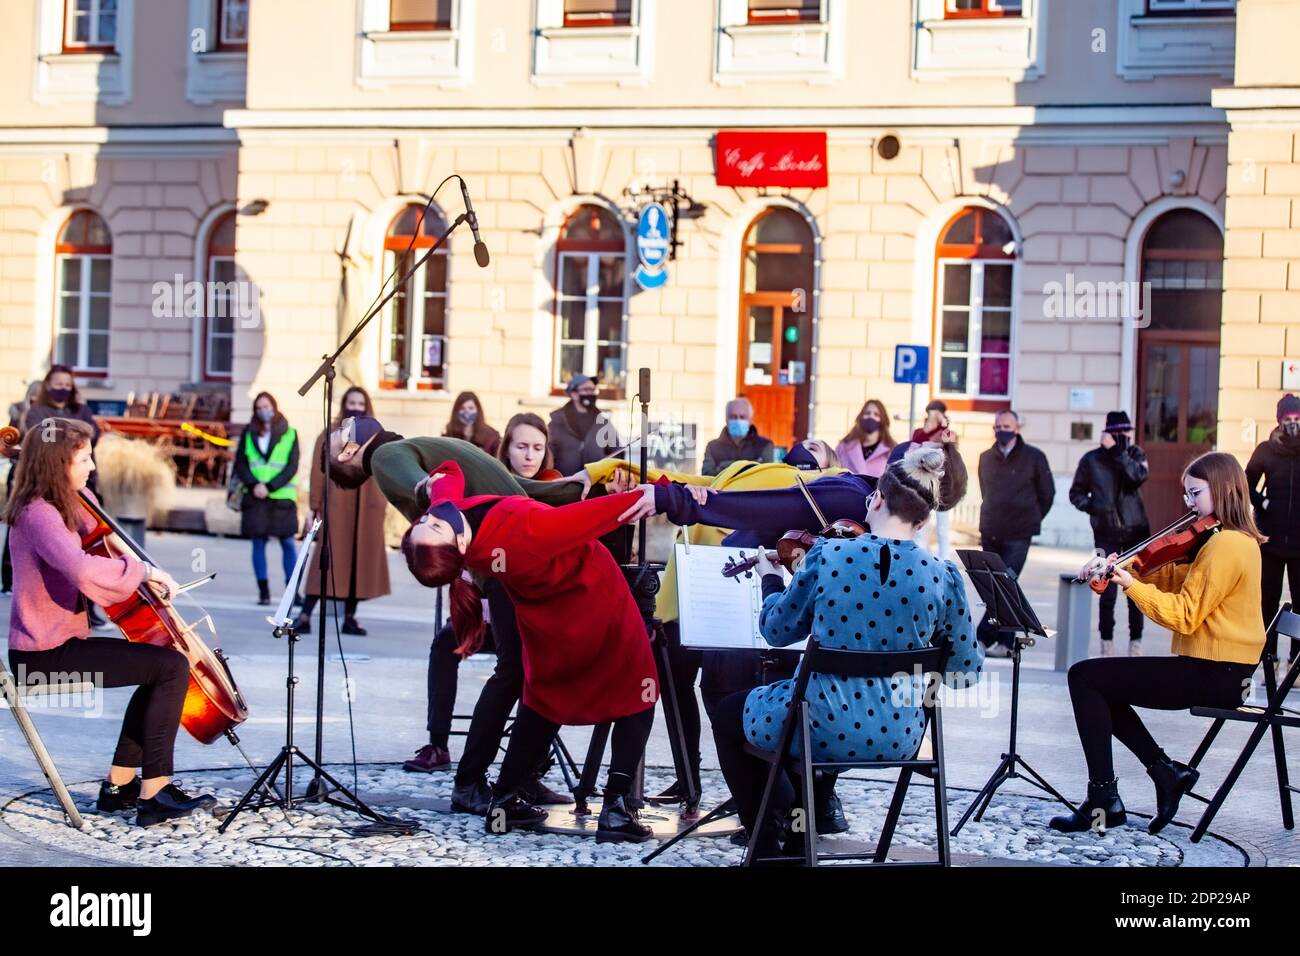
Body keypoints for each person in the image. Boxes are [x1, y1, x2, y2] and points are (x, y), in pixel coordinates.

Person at [710, 446, 984, 857]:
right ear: (925, 519)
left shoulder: (829, 556)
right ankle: (800, 835)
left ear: (875, 499)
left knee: (733, 714)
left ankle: (767, 844)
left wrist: (770, 581)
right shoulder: (942, 577)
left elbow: (776, 629)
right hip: (900, 736)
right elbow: (966, 670)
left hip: (821, 724)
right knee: (802, 708)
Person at [397, 454, 661, 843]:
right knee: (640, 691)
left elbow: (449, 475)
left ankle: (504, 801)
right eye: (432, 524)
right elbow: (599, 515)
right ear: (456, 544)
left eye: (423, 523)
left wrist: (433, 482)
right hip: (594, 599)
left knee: (542, 701)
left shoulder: (446, 521)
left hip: (545, 616)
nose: (428, 519)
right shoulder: (524, 532)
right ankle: (617, 809)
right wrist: (665, 494)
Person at [5, 418, 215, 827]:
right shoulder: (38, 514)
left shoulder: (63, 501)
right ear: (57, 463)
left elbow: (101, 532)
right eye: (84, 458)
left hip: (59, 646)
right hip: (42, 658)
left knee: (163, 664)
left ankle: (119, 788)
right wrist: (141, 573)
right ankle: (153, 795)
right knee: (170, 667)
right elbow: (81, 569)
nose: (92, 466)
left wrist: (139, 564)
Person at [1053, 452, 1266, 835]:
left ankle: (1113, 795)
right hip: (1219, 669)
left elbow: (1184, 613)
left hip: (1216, 673)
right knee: (1097, 683)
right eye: (1187, 495)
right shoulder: (1227, 541)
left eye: (1195, 494)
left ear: (1222, 489)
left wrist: (1131, 585)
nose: (1189, 505)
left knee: (1086, 678)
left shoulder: (1227, 546)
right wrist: (1119, 569)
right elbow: (1172, 577)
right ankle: (1163, 774)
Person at [404, 412, 569, 808]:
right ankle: (466, 774)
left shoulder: (553, 486)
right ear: (506, 449)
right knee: (512, 673)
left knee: (548, 673)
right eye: (521, 446)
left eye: (537, 447)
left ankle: (524, 775)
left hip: (536, 594)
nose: (530, 455)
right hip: (496, 591)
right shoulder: (486, 485)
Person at [294, 387, 390, 636]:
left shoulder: (377, 435)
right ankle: (305, 614)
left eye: (360, 402)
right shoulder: (329, 435)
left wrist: (382, 504)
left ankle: (349, 617)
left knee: (359, 563)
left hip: (366, 508)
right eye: (351, 402)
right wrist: (314, 506)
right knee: (324, 562)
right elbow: (318, 472)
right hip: (336, 507)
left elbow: (383, 470)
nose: (356, 406)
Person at [1069, 411, 1151, 657]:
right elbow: (1076, 494)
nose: (1126, 436)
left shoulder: (1135, 454)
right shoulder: (1091, 460)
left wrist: (1118, 453)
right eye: (1121, 433)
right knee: (1106, 591)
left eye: (1128, 432)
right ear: (1110, 434)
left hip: (1137, 532)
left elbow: (1137, 477)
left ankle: (1135, 643)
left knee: (1135, 588)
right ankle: (1107, 644)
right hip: (1105, 532)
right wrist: (1095, 507)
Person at [976, 410, 1055, 656]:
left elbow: (1047, 494)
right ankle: (996, 641)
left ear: (1017, 428)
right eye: (997, 426)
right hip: (992, 530)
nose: (1002, 430)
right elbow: (984, 490)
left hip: (1019, 533)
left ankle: (988, 639)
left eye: (1006, 425)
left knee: (1006, 582)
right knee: (994, 585)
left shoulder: (1034, 457)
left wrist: (1030, 518)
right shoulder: (986, 457)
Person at [233, 392, 300, 607]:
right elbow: (241, 463)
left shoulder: (290, 433)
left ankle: (292, 592)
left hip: (281, 496)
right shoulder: (248, 432)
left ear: (274, 406)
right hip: (255, 497)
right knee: (258, 543)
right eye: (259, 407)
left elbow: (292, 465)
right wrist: (254, 485)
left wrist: (270, 486)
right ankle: (263, 591)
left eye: (267, 406)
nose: (264, 410)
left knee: (288, 543)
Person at [1247, 394, 1300, 652]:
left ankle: (1296, 662)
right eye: (1288, 419)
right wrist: (1263, 503)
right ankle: (1268, 657)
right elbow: (1245, 484)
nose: (1293, 423)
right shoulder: (1266, 450)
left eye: (1297, 418)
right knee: (1268, 600)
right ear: (1279, 421)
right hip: (1271, 540)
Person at [3, 381, 43, 594]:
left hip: (38, 474)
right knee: (15, 524)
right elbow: (8, 442)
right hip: (19, 474)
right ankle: (8, 580)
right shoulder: (19, 411)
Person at [547, 374, 620, 477]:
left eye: (593, 390)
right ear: (574, 394)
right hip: (564, 486)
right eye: (586, 390)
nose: (591, 393)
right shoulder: (557, 422)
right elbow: (547, 455)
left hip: (596, 487)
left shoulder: (603, 423)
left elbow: (618, 454)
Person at [702, 398, 775, 476]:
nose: (738, 420)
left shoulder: (765, 446)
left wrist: (723, 466)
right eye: (733, 417)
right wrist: (749, 466)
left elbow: (767, 475)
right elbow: (707, 476)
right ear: (726, 419)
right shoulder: (712, 447)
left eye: (742, 417)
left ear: (750, 420)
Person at [835, 399, 894, 479]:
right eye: (867, 413)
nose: (871, 417)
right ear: (861, 416)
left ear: (882, 420)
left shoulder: (891, 451)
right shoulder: (844, 447)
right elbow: (834, 473)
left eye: (876, 414)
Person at [442, 390, 500, 457]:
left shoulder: (491, 435)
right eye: (462, 408)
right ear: (456, 411)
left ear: (478, 410)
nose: (467, 412)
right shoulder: (448, 432)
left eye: (471, 408)